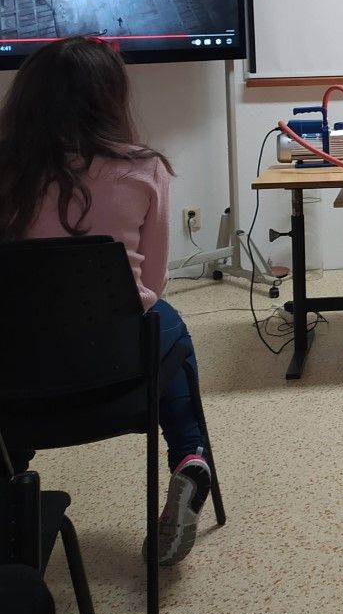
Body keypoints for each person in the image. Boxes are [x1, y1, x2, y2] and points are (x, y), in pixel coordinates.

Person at [0, 36, 212, 565]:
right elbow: (153, 284)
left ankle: (11, 481)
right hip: (117, 366)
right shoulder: (144, 169)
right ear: (110, 99)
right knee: (167, 324)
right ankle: (189, 454)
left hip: (17, 377)